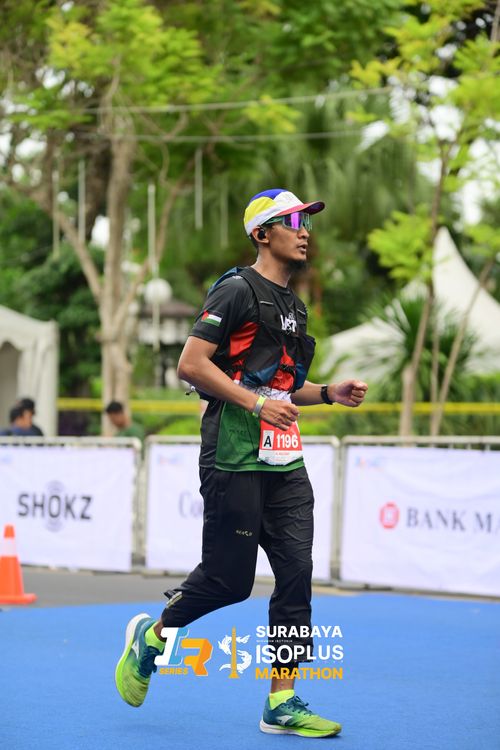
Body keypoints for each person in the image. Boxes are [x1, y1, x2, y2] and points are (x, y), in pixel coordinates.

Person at [114, 188, 368, 737]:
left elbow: (282, 388)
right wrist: (255, 404)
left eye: (306, 221)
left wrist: (329, 393)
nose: (304, 231)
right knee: (229, 581)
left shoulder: (295, 307)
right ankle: (153, 636)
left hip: (285, 461)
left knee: (296, 573)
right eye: (292, 221)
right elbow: (191, 364)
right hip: (232, 452)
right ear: (262, 233)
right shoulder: (235, 290)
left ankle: (282, 700)